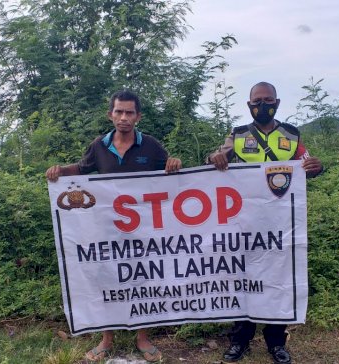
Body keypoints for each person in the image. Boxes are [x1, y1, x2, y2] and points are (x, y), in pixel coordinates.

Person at [46, 90, 181, 363]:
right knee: (108, 279)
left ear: (138, 116)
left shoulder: (151, 146)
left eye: (129, 112)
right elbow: (82, 169)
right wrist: (60, 171)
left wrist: (174, 163)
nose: (123, 117)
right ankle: (106, 339)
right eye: (119, 111)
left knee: (143, 279)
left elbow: (170, 175)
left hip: (144, 230)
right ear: (111, 114)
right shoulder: (99, 145)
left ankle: (142, 338)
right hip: (107, 229)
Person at [207, 81, 323, 364]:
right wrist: (215, 157)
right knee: (243, 278)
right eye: (257, 101)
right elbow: (214, 158)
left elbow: (308, 165)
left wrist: (316, 167)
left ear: (277, 103)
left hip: (281, 225)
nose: (262, 105)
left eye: (267, 100)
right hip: (244, 223)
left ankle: (276, 342)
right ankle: (240, 341)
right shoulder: (238, 134)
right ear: (249, 105)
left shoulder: (291, 135)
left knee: (278, 280)